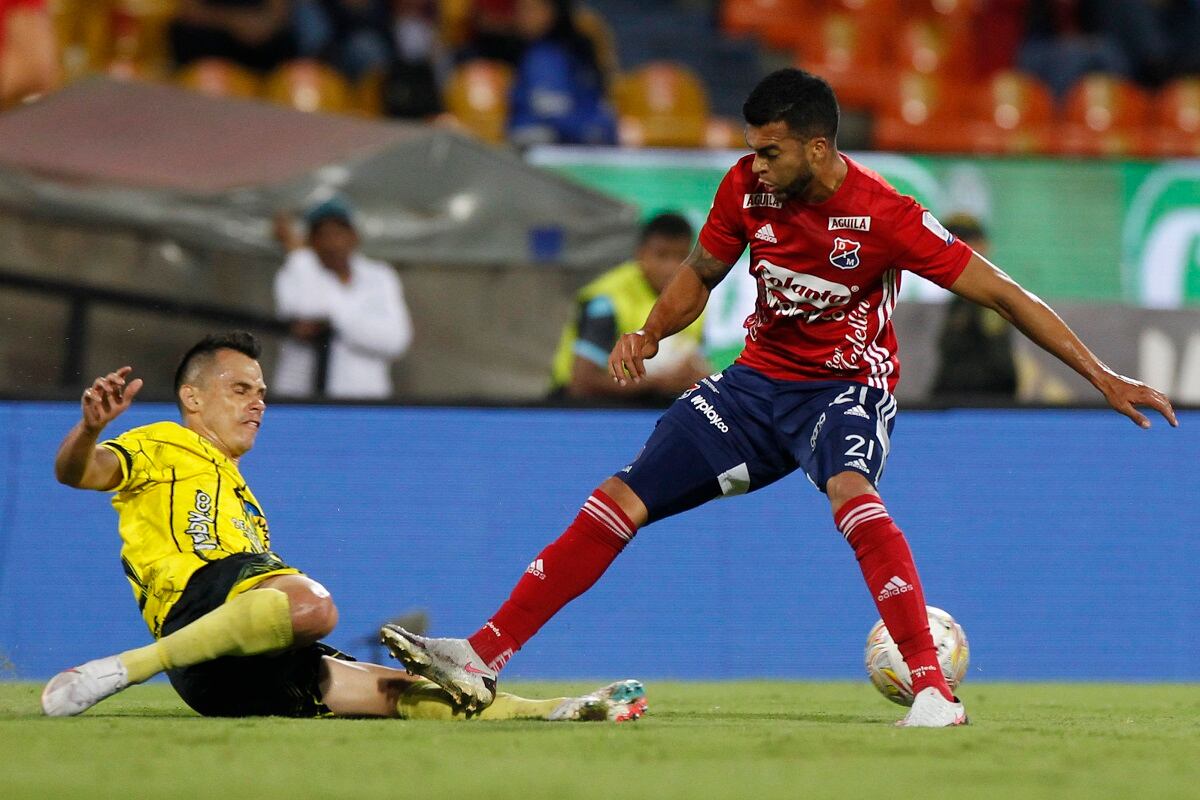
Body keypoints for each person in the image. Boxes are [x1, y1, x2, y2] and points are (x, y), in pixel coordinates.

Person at [378, 68, 1177, 728]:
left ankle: (935, 693)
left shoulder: (887, 216)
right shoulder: (746, 190)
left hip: (846, 386)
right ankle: (481, 653)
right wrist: (652, 331)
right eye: (751, 152)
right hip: (755, 385)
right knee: (620, 496)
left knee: (850, 493)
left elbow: (1002, 294)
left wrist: (1101, 374)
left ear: (817, 146)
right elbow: (700, 274)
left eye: (769, 152)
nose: (754, 166)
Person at [41, 332, 647, 722]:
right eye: (240, 389)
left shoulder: (245, 500)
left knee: (422, 695)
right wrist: (91, 428)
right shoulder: (163, 441)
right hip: (196, 608)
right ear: (192, 399)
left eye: (262, 392)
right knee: (312, 604)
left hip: (224, 677)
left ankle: (560, 711)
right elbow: (80, 471)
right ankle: (121, 669)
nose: (257, 403)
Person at [550, 212, 710, 400]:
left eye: (681, 256)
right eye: (662, 255)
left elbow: (698, 368)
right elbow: (582, 383)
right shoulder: (607, 300)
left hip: (654, 404)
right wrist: (655, 382)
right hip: (582, 409)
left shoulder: (693, 298)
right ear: (640, 254)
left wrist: (695, 377)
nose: (671, 267)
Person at [273, 197, 413, 400]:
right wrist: (301, 258)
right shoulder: (296, 271)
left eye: (339, 233)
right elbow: (304, 310)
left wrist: (334, 321)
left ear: (354, 236)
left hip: (367, 403)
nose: (332, 242)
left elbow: (395, 340)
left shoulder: (380, 277)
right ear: (311, 242)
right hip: (303, 402)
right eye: (323, 235)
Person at [931, 215, 1018, 400]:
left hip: (978, 407)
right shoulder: (961, 300)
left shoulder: (987, 297)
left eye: (962, 244)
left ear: (981, 246)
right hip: (957, 405)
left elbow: (999, 363)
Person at [506, 0, 616, 147]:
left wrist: (601, 128)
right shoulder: (540, 57)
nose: (523, 17)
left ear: (554, 11)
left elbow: (595, 106)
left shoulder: (572, 54)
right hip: (536, 152)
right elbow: (551, 113)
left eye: (532, 10)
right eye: (521, 10)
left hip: (573, 150)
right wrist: (595, 131)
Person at [169, 0, 298, 74]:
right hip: (205, 51)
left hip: (261, 56)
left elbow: (264, 28)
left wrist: (216, 17)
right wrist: (239, 23)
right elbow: (190, 13)